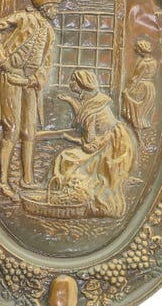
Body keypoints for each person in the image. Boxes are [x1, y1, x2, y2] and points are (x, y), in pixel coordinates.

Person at [0, 0, 67, 199]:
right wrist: (1, 55)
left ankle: (27, 179)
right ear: (46, 7)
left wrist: (36, 79)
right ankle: (3, 181)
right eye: (55, 8)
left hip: (29, 84)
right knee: (12, 130)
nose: (57, 12)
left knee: (29, 131)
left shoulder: (49, 31)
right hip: (10, 77)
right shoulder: (23, 18)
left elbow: (47, 62)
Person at [53, 70, 135, 218]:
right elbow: (82, 113)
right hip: (115, 139)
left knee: (66, 157)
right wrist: (70, 100)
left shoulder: (92, 110)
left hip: (110, 147)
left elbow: (90, 145)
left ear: (82, 84)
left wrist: (70, 139)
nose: (70, 83)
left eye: (73, 80)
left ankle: (74, 193)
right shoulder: (94, 101)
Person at [121, 39, 157, 129]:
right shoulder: (154, 62)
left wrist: (127, 89)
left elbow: (136, 78)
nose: (135, 50)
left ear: (141, 50)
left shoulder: (143, 63)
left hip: (141, 87)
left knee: (134, 104)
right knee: (144, 107)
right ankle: (141, 123)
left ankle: (136, 123)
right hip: (150, 87)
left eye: (137, 48)